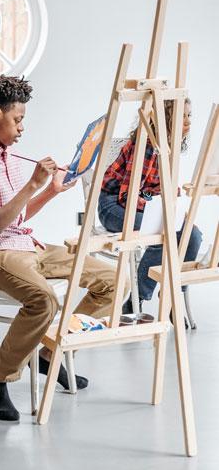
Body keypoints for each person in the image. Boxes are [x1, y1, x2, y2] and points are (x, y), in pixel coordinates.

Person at [0, 73, 125, 422]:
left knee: (116, 280)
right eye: (18, 120)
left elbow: (19, 215)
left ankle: (48, 354)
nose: (21, 128)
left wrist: (49, 191)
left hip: (27, 245)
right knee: (44, 300)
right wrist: (33, 183)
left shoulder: (9, 156)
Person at [98, 99, 202, 317]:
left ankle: (173, 294)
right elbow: (126, 196)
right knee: (162, 231)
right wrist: (161, 214)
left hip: (143, 203)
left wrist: (175, 209)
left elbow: (166, 189)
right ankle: (137, 300)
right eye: (182, 116)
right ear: (166, 121)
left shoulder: (168, 148)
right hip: (113, 205)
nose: (188, 122)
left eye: (189, 116)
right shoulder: (145, 147)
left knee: (192, 235)